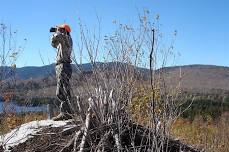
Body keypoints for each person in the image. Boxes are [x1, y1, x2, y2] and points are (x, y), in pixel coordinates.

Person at [50, 23, 73, 121]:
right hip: (61, 66)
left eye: (60, 29)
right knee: (62, 91)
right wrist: (55, 33)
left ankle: (66, 113)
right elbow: (53, 43)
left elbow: (59, 36)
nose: (58, 30)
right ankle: (67, 113)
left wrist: (57, 31)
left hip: (64, 66)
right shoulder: (62, 40)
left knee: (62, 91)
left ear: (64, 30)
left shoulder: (66, 38)